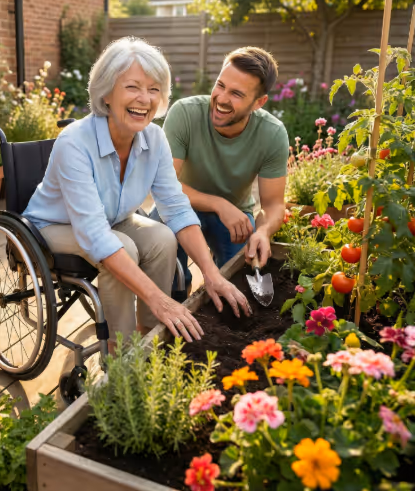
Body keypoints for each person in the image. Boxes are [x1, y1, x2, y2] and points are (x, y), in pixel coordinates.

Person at [23, 37, 250, 351]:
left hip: (114, 221)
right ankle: (121, 353)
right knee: (123, 248)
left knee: (162, 237)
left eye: (154, 89)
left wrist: (212, 274)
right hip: (50, 228)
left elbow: (176, 208)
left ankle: (151, 334)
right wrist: (161, 299)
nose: (145, 99)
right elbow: (94, 234)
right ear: (106, 91)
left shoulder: (154, 139)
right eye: (132, 87)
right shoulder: (74, 142)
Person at [158, 46, 289, 293]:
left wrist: (263, 231)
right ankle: (170, 312)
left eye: (237, 94)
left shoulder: (272, 134)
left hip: (234, 219)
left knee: (239, 280)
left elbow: (273, 204)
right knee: (164, 267)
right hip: (178, 206)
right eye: (220, 85)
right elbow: (165, 186)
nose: (222, 99)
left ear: (258, 103)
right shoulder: (185, 114)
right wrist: (219, 204)